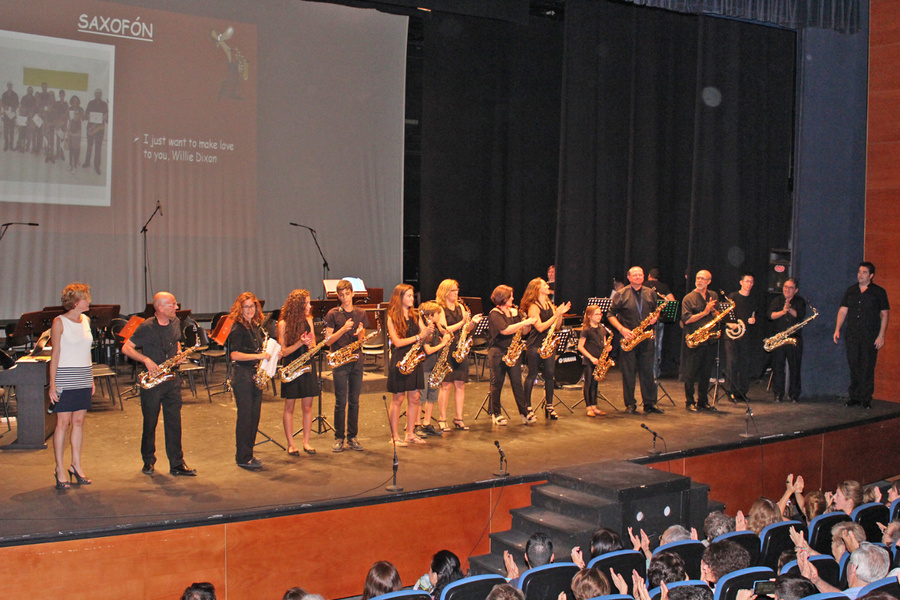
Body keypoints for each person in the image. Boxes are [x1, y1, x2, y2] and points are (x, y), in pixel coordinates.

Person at [123, 291, 197, 477]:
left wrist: (178, 355)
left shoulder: (176, 322)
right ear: (160, 308)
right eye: (173, 304)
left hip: (172, 379)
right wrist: (146, 360)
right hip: (153, 381)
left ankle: (177, 464)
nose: (176, 307)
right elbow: (126, 347)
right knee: (150, 422)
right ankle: (148, 461)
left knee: (174, 422)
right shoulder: (146, 327)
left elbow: (177, 342)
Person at [48, 283, 94, 489]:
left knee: (79, 421)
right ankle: (59, 468)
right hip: (65, 375)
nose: (89, 301)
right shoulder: (59, 322)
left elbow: (87, 350)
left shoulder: (86, 320)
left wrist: (91, 377)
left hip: (83, 375)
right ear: (76, 302)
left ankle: (76, 465)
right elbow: (55, 353)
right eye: (86, 297)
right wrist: (52, 383)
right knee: (62, 423)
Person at [834, 262, 890, 409]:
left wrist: (881, 335)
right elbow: (843, 310)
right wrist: (837, 328)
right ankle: (855, 396)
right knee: (854, 365)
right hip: (852, 335)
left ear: (871, 276)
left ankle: (866, 398)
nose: (860, 275)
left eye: (864, 272)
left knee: (867, 366)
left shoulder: (878, 292)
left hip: (870, 336)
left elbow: (884, 314)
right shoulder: (851, 290)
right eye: (859, 271)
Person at [608, 266, 663, 414]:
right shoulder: (621, 294)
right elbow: (610, 315)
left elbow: (654, 312)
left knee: (647, 371)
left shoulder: (650, 293)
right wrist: (621, 329)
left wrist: (655, 318)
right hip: (629, 337)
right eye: (635, 275)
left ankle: (650, 403)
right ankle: (630, 404)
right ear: (629, 277)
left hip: (645, 337)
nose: (638, 277)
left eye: (640, 274)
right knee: (628, 373)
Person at [324, 279, 369, 453]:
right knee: (340, 401)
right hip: (340, 362)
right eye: (341, 295)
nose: (345, 298)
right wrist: (342, 329)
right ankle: (339, 437)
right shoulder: (332, 314)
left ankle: (352, 436)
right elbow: (328, 341)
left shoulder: (361, 313)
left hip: (356, 360)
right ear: (338, 296)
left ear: (353, 294)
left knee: (355, 401)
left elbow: (362, 340)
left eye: (347, 294)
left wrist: (359, 335)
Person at [227, 291, 270, 470]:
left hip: (254, 375)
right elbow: (234, 354)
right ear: (240, 309)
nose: (249, 310)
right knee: (245, 418)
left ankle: (249, 454)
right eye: (246, 307)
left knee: (254, 417)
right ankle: (243, 456)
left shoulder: (255, 326)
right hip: (243, 376)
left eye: (252, 306)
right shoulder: (238, 328)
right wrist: (260, 355)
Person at [435, 279, 482, 432]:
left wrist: (472, 323)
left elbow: (466, 329)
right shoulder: (440, 309)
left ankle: (459, 418)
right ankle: (442, 419)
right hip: (447, 348)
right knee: (446, 385)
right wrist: (462, 323)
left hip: (460, 348)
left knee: (460, 384)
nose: (456, 293)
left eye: (457, 290)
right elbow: (444, 329)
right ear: (445, 292)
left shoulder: (460, 307)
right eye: (453, 290)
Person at [487, 285, 537, 425]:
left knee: (517, 383)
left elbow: (524, 332)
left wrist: (528, 323)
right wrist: (524, 322)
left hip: (513, 351)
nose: (513, 298)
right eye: (510, 296)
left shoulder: (514, 312)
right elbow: (505, 330)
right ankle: (496, 413)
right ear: (503, 298)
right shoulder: (494, 313)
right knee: (498, 382)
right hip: (498, 351)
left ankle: (524, 413)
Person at [387, 284, 431, 445]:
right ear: (400, 297)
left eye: (413, 296)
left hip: (415, 359)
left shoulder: (415, 316)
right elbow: (397, 342)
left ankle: (410, 433)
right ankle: (395, 437)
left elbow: (426, 338)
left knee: (415, 397)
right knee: (398, 399)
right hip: (400, 359)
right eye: (409, 296)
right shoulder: (392, 317)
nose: (412, 299)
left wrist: (429, 332)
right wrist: (420, 337)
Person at [521, 278, 570, 420]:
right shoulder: (533, 307)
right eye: (544, 285)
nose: (547, 286)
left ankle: (549, 406)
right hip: (535, 344)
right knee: (532, 374)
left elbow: (558, 325)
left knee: (550, 374)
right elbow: (540, 327)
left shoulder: (549, 304)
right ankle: (527, 407)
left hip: (548, 344)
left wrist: (560, 313)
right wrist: (556, 314)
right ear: (537, 289)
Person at [278, 289, 318, 456]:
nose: (309, 306)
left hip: (307, 364)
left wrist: (309, 345)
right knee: (290, 406)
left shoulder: (309, 320)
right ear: (298, 305)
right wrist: (299, 343)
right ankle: (291, 444)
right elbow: (283, 352)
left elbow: (314, 346)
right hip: (292, 366)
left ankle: (306, 442)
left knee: (307, 406)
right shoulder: (283, 324)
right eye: (307, 303)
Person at [682, 270, 720, 412]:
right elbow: (686, 319)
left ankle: (703, 401)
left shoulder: (713, 295)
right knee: (691, 373)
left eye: (703, 279)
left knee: (706, 373)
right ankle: (689, 401)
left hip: (710, 339)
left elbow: (716, 314)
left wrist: (713, 312)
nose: (699, 281)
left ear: (709, 281)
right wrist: (704, 312)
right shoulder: (689, 298)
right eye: (698, 278)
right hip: (695, 339)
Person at [415, 301, 452, 437]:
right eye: (438, 314)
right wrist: (443, 343)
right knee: (422, 397)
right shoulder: (426, 330)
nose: (440, 317)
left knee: (432, 396)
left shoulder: (436, 328)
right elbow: (428, 350)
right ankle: (417, 424)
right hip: (424, 367)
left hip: (434, 367)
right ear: (430, 315)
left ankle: (426, 423)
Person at [768, 278, 806, 403]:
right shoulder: (777, 300)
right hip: (779, 338)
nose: (787, 289)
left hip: (794, 338)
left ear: (796, 290)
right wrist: (783, 311)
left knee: (795, 367)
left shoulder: (800, 301)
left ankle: (794, 394)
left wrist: (789, 308)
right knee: (778, 366)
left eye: (790, 288)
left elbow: (799, 315)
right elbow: (770, 315)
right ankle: (778, 394)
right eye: (785, 286)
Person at [724, 274, 758, 401]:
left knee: (744, 364)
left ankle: (742, 392)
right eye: (747, 281)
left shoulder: (753, 299)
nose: (749, 284)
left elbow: (754, 315)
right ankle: (730, 391)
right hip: (731, 336)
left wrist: (753, 320)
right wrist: (730, 323)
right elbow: (724, 315)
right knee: (732, 363)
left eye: (751, 281)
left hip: (745, 336)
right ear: (741, 282)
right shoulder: (733, 297)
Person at [577, 305, 611, 417]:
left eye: (600, 314)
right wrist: (591, 358)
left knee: (595, 383)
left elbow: (604, 343)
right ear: (590, 316)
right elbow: (580, 347)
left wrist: (607, 347)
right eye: (597, 314)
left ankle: (594, 406)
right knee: (588, 383)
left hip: (599, 359)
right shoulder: (586, 329)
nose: (599, 316)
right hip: (589, 360)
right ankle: (588, 407)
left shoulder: (602, 328)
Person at [647, 268, 676, 380]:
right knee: (657, 346)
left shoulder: (643, 285)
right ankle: (655, 372)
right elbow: (672, 301)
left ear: (649, 276)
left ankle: (644, 371)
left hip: (644, 321)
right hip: (659, 321)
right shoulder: (663, 286)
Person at [82, 88, 108, 175]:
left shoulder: (104, 104)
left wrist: (106, 117)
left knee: (98, 147)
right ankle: (87, 162)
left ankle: (97, 166)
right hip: (91, 128)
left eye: (99, 93)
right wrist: (87, 115)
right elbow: (86, 114)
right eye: (96, 93)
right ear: (94, 94)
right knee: (89, 145)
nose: (98, 95)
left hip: (100, 129)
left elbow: (107, 118)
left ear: (101, 95)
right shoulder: (90, 103)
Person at [66, 95, 84, 173]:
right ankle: (71, 164)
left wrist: (83, 115)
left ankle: (75, 165)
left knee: (76, 148)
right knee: (71, 148)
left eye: (76, 101)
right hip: (70, 128)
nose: (75, 102)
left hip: (77, 130)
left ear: (78, 102)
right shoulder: (69, 109)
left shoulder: (80, 109)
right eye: (73, 101)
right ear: (71, 101)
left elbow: (84, 118)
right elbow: (67, 117)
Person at [1, 82, 18, 152]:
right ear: (7, 86)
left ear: (12, 86)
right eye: (9, 85)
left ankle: (11, 145)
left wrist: (14, 108)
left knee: (12, 130)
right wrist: (5, 107)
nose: (10, 86)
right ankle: (6, 145)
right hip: (6, 114)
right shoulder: (4, 94)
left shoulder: (15, 95)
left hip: (12, 114)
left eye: (11, 85)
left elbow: (17, 104)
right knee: (5, 130)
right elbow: (1, 103)